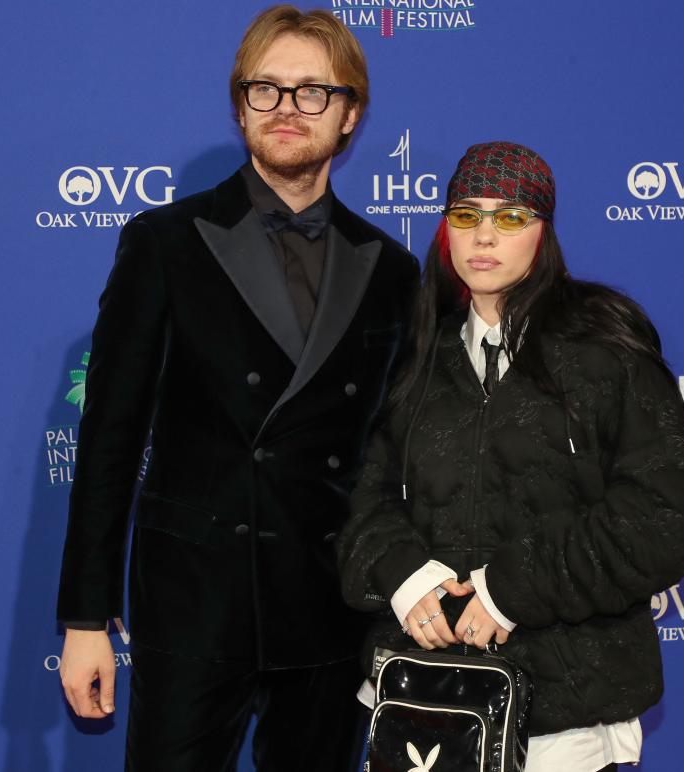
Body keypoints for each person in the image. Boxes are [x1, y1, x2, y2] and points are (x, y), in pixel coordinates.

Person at [55, 5, 418, 770]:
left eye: (313, 92)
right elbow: (109, 441)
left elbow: (401, 452)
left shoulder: (391, 269)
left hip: (330, 608)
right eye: (266, 89)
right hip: (194, 607)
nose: (287, 109)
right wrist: (87, 617)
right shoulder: (163, 243)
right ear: (240, 105)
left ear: (350, 114)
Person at [337, 141, 684, 772]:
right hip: (419, 703)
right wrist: (400, 571)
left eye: (510, 217)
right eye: (465, 215)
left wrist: (509, 590)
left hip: (565, 717)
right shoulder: (417, 353)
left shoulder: (605, 350)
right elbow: (361, 496)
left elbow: (661, 520)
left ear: (543, 233)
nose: (483, 236)